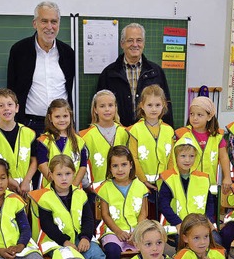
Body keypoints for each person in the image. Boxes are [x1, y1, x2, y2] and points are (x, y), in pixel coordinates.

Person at [28, 155, 110, 259]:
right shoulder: (45, 198)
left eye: (67, 174)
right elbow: (47, 226)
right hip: (56, 241)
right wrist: (65, 242)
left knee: (97, 255)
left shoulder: (80, 194)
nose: (63, 178)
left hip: (79, 236)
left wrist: (86, 237)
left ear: (74, 174)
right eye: (59, 174)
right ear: (50, 175)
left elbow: (88, 219)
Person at [7, 1, 75, 138]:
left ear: (59, 25)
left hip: (61, 125)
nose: (49, 27)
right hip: (30, 125)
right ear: (35, 23)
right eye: (44, 21)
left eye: (54, 22)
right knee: (32, 160)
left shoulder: (68, 53)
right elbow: (11, 90)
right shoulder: (19, 51)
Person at [96, 23, 173, 127]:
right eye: (130, 40)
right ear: (122, 44)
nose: (135, 44)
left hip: (149, 133)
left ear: (144, 43)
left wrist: (170, 133)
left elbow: (166, 106)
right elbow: (99, 107)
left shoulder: (156, 72)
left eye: (139, 40)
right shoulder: (109, 73)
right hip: (118, 134)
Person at [95, 146, 148, 259]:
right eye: (115, 166)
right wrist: (118, 231)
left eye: (124, 164)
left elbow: (143, 212)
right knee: (112, 251)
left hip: (137, 229)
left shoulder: (140, 186)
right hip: (113, 231)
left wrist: (136, 231)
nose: (120, 169)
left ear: (131, 164)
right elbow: (105, 214)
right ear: (110, 168)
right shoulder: (105, 187)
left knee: (150, 247)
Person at [174, 96, 232, 221]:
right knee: (190, 214)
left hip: (209, 184)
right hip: (188, 183)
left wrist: (227, 177)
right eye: (192, 114)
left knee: (208, 216)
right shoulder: (183, 134)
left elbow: (223, 157)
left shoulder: (217, 136)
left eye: (199, 115)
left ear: (209, 116)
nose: (194, 118)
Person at [127, 84, 175, 218]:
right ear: (142, 105)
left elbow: (171, 157)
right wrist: (143, 180)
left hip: (163, 183)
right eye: (150, 105)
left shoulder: (168, 130)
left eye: (157, 105)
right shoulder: (136, 130)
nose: (154, 109)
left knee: (162, 215)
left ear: (163, 105)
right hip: (142, 183)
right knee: (146, 216)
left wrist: (168, 177)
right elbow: (133, 157)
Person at [0, 88, 38, 197]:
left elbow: (34, 160)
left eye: (10, 104)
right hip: (0, 188)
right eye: (1, 106)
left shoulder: (29, 133)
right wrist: (9, 180)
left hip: (24, 188)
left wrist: (26, 181)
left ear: (17, 108)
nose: (6, 108)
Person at [158, 138, 210, 234]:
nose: (187, 160)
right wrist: (177, 222)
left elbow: (210, 203)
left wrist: (209, 220)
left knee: (216, 240)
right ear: (175, 157)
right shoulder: (168, 178)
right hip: (176, 224)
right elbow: (163, 204)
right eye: (183, 156)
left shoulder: (203, 178)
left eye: (191, 156)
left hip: (200, 223)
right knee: (184, 243)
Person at [80, 89, 129, 190]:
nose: (107, 109)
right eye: (102, 106)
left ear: (115, 108)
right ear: (95, 109)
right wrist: (88, 186)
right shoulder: (85, 136)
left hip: (122, 189)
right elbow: (82, 164)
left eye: (110, 105)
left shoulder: (126, 133)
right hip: (97, 191)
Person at [37, 98, 87, 188]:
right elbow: (42, 164)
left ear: (70, 117)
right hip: (51, 191)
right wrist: (57, 186)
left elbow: (83, 166)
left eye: (65, 116)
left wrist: (73, 187)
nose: (62, 120)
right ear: (50, 118)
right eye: (57, 116)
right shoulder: (44, 140)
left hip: (74, 190)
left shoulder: (79, 141)